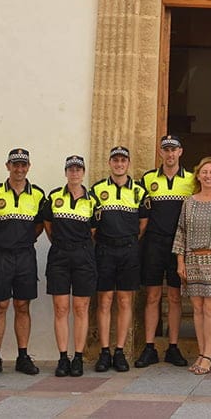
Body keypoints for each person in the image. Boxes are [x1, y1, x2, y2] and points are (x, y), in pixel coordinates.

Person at [0, 148, 45, 377]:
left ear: (29, 167)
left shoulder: (37, 195)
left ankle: (23, 356)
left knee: (22, 306)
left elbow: (40, 226)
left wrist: (24, 241)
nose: (19, 169)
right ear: (7, 166)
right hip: (1, 257)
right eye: (15, 164)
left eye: (23, 165)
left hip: (25, 256)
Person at [137, 134, 195, 368]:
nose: (170, 154)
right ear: (160, 152)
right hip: (153, 244)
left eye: (174, 150)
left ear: (180, 152)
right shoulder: (148, 178)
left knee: (174, 297)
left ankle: (173, 346)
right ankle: (149, 347)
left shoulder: (191, 179)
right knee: (151, 296)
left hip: (179, 245)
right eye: (166, 150)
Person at [173, 157, 211, 375]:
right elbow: (181, 232)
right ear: (198, 175)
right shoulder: (188, 202)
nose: (208, 176)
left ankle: (208, 355)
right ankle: (201, 352)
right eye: (204, 172)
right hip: (192, 261)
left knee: (210, 309)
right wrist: (180, 262)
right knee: (197, 309)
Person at [91, 146, 149, 373]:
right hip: (104, 250)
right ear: (109, 163)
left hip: (129, 251)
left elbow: (143, 224)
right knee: (104, 301)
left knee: (125, 301)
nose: (119, 164)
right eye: (115, 160)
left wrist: (129, 241)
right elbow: (92, 225)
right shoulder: (97, 190)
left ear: (128, 163)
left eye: (123, 160)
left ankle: (120, 350)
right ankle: (104, 351)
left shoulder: (139, 191)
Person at [42, 155, 99, 377]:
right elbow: (48, 226)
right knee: (61, 308)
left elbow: (94, 230)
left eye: (78, 169)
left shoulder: (92, 200)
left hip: (84, 255)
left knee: (81, 308)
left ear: (83, 172)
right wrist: (61, 245)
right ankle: (63, 357)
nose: (74, 173)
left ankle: (78, 357)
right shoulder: (54, 197)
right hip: (59, 255)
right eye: (71, 169)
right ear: (65, 172)